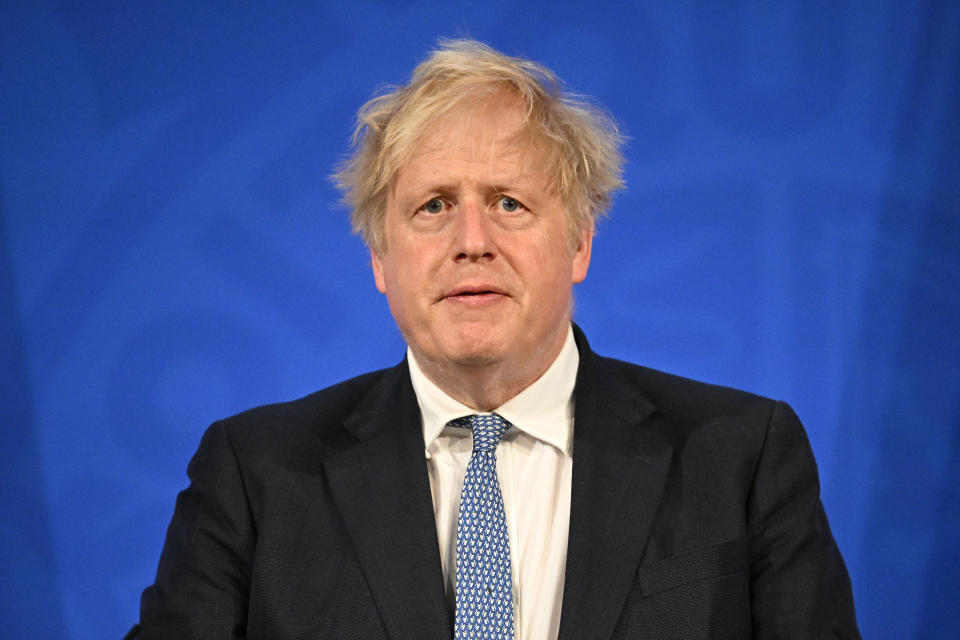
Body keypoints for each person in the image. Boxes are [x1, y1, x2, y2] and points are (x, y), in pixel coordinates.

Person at [130, 39, 860, 639]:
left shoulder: (740, 457)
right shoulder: (256, 476)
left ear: (578, 243)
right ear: (380, 258)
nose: (470, 241)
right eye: (433, 206)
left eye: (509, 202)